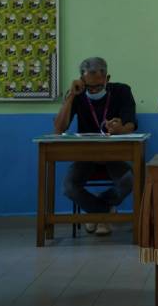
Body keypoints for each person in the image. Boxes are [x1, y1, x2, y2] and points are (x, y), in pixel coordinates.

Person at [54, 57, 137, 236]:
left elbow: (130, 124)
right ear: (82, 81)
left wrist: (119, 129)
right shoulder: (77, 94)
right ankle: (104, 213)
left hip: (113, 154)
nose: (94, 90)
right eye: (89, 87)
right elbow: (59, 128)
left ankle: (96, 212)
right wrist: (70, 97)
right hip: (86, 154)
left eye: (99, 86)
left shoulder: (122, 91)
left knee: (131, 179)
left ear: (107, 78)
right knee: (68, 187)